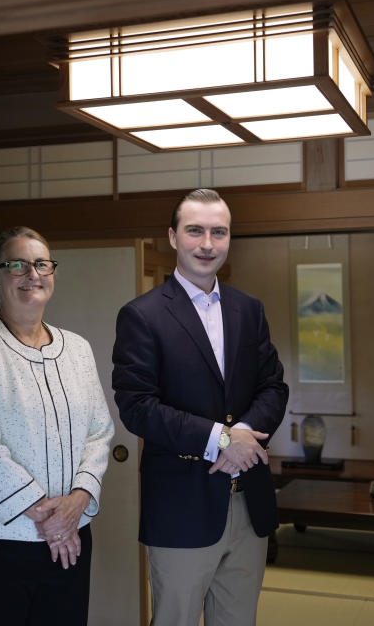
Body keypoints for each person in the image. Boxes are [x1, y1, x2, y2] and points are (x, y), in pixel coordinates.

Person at [112, 189, 289, 626]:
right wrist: (223, 439)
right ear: (173, 237)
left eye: (218, 232)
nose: (207, 243)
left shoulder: (249, 310)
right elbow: (136, 407)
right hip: (181, 507)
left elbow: (273, 386)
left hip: (249, 504)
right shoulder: (143, 315)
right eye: (195, 231)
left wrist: (244, 435)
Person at [0, 226, 114, 626]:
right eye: (15, 264)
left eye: (41, 264)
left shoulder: (78, 349)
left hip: (70, 536)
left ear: (53, 272)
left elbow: (100, 432)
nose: (31, 273)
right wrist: (50, 518)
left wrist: (77, 503)